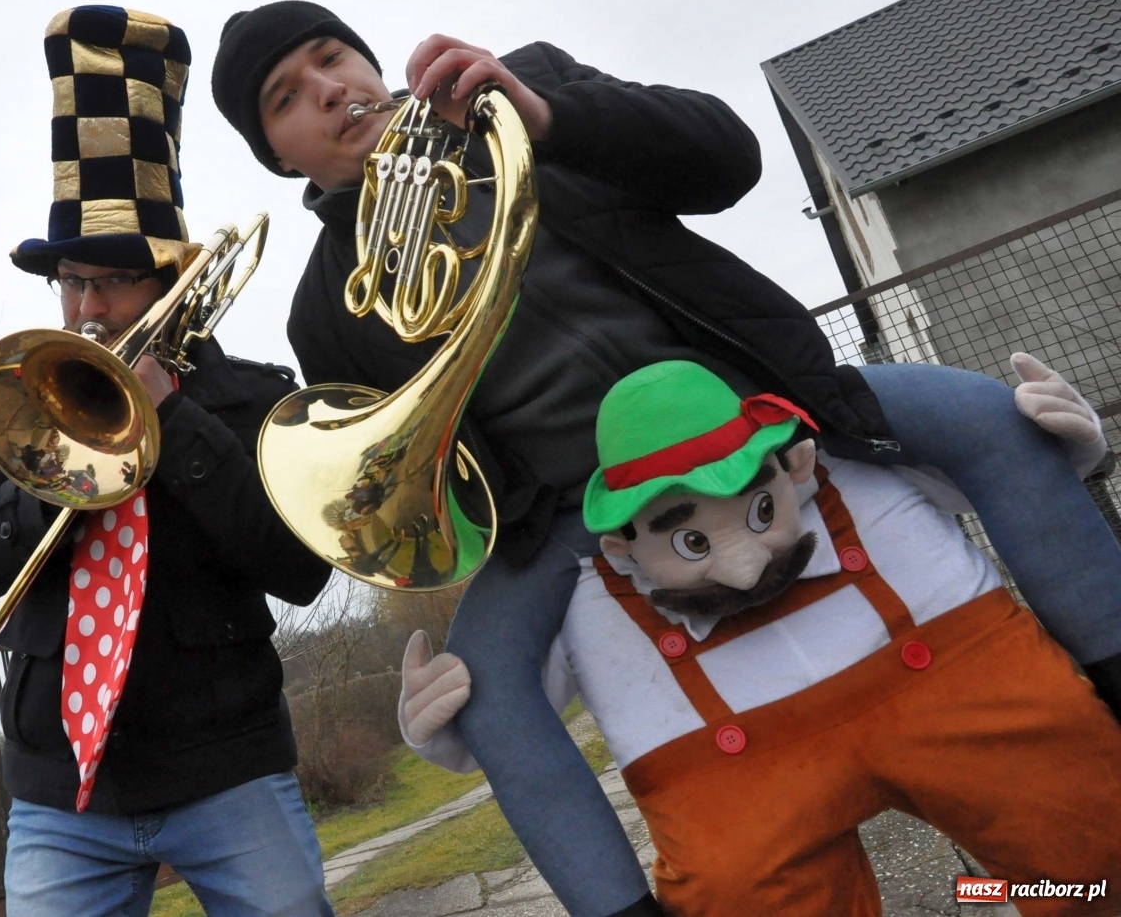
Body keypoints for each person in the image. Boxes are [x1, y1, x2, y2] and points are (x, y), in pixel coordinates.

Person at [210, 1, 1121, 917]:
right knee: (487, 686)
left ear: (370, 61)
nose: (327, 91)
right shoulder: (322, 311)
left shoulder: (522, 88)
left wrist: (551, 121)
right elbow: (420, 492)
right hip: (572, 506)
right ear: (277, 152)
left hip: (757, 401)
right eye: (287, 99)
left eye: (332, 58)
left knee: (992, 420)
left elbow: (728, 157)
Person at [402, 360, 1121, 915]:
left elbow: (1009, 472)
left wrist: (1055, 440)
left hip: (962, 692)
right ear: (620, 544)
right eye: (687, 538)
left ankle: (984, 898)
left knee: (1089, 863)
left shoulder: (861, 468)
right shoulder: (579, 586)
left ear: (797, 468)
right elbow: (497, 719)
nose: (745, 568)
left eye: (758, 512)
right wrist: (434, 721)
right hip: (733, 796)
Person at [0, 6, 334, 917]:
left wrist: (173, 422)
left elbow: (302, 570)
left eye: (113, 279)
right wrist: (58, 471)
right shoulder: (24, 396)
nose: (90, 307)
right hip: (60, 794)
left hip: (229, 771)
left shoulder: (251, 398)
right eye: (73, 280)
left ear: (173, 279)